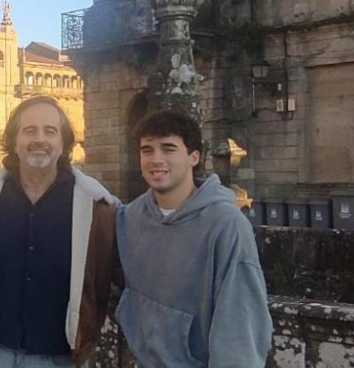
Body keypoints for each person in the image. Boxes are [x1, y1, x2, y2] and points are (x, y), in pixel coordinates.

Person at [0, 95, 121, 367]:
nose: (40, 139)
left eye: (50, 131)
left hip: (57, 355)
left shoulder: (96, 206)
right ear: (13, 141)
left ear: (64, 142)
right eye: (29, 130)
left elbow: (110, 274)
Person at [115, 109, 272, 367]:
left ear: (193, 157)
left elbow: (240, 329)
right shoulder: (129, 218)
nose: (156, 159)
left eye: (168, 149)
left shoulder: (226, 225)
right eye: (147, 150)